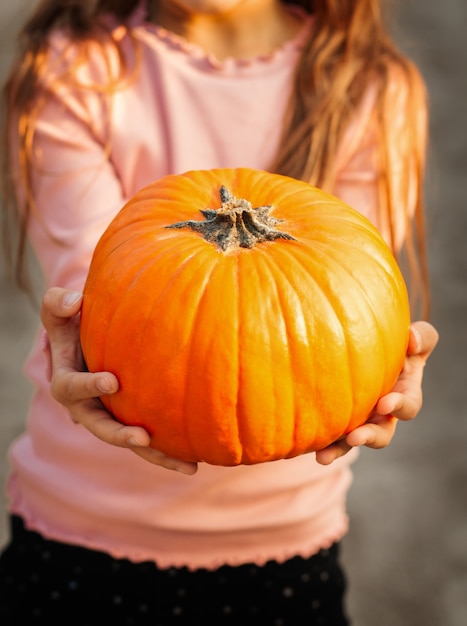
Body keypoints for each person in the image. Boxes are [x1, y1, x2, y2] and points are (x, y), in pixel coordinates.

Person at [0, 0, 439, 624]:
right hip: (79, 526)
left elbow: (355, 295)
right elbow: (96, 285)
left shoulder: (370, 85)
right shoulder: (77, 68)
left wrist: (386, 362)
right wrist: (72, 341)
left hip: (284, 542)